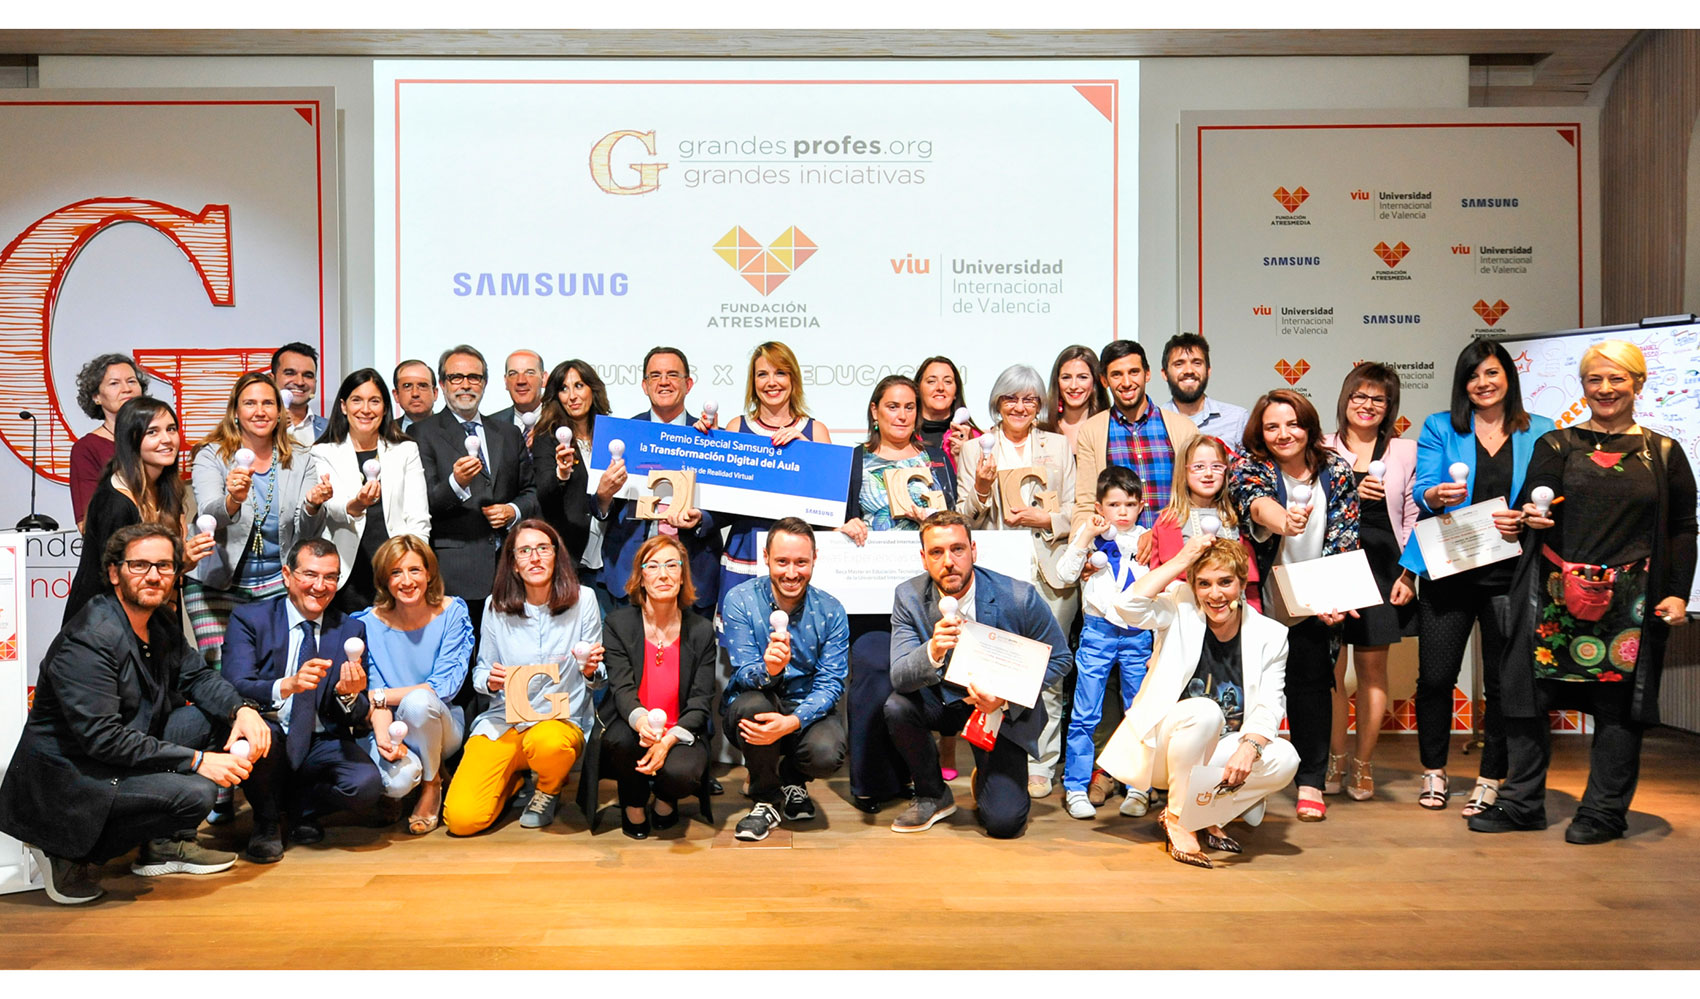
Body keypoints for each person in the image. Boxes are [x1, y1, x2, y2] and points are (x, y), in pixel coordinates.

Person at [1477, 340, 1697, 845]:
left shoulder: (1663, 453)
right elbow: (1535, 497)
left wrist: (1679, 593)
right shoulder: (1557, 445)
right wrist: (1530, 515)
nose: (1605, 389)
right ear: (1583, 387)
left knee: (1620, 710)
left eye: (1617, 379)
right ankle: (1522, 803)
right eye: (1595, 379)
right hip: (1551, 594)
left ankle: (1602, 813)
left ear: (1638, 384)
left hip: (1633, 603)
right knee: (1526, 700)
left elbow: (1684, 528)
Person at [0, 524, 267, 904]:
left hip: (120, 749)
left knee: (213, 718)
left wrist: (242, 710)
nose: (154, 575)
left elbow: (198, 676)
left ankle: (162, 848)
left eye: (165, 566)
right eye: (139, 565)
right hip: (71, 778)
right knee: (197, 792)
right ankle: (65, 850)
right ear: (114, 573)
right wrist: (197, 760)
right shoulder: (90, 638)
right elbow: (102, 739)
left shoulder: (158, 623)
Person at [1400, 340, 1556, 815]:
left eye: (1491, 373)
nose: (1483, 384)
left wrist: (1529, 516)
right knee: (1435, 679)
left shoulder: (1544, 431)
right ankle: (1434, 773)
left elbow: (1552, 498)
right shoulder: (1439, 426)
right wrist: (1437, 495)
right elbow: (1423, 489)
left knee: (1504, 684)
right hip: (1449, 572)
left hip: (1511, 576)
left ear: (1508, 376)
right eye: (1473, 376)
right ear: (1462, 384)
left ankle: (1491, 778)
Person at [1099, 535, 1299, 869]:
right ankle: (1178, 818)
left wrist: (1249, 747)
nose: (1215, 594)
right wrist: (1180, 561)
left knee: (1285, 758)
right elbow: (1126, 607)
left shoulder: (1271, 635)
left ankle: (1202, 812)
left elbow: (1270, 704)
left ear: (1241, 583)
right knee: (1206, 711)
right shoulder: (1179, 605)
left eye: (1225, 582)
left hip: (1221, 751)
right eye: (1203, 584)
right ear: (1193, 585)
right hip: (1167, 748)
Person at [885, 511, 1073, 838]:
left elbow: (1060, 658)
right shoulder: (909, 596)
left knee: (1004, 824)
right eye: (936, 552)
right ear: (923, 558)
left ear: (974, 550)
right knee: (896, 707)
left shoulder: (1018, 597)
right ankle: (933, 794)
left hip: (996, 711)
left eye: (957, 549)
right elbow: (900, 676)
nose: (949, 561)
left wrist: (1005, 696)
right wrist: (933, 650)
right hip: (940, 701)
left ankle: (986, 778)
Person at [1228, 388, 1359, 822]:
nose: (1284, 434)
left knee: (1311, 687)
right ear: (1260, 433)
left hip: (1317, 594)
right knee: (1255, 690)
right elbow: (1254, 503)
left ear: (1308, 426)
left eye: (1292, 424)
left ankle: (1311, 782)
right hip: (1263, 597)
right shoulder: (1249, 465)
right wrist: (1283, 518)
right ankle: (1242, 784)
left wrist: (1335, 596)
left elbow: (1344, 537)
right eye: (1272, 427)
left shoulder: (1336, 469)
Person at [220, 538, 383, 862]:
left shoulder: (350, 628)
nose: (320, 586)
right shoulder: (250, 619)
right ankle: (266, 822)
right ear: (286, 575)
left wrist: (348, 694)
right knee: (261, 738)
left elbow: (356, 712)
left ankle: (298, 810)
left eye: (331, 577)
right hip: (270, 730)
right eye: (310, 574)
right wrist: (286, 685)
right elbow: (234, 683)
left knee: (366, 785)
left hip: (321, 740)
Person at [957, 363, 1078, 799]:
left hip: (1049, 571)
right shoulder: (975, 450)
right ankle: (993, 759)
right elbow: (964, 517)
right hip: (995, 574)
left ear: (1040, 404)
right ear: (997, 403)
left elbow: (1078, 509)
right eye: (1011, 398)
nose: (1020, 407)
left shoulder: (1059, 446)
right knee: (991, 668)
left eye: (1029, 399)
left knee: (1046, 670)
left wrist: (1046, 518)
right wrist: (984, 489)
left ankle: (1042, 761)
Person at [840, 374, 960, 811]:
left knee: (916, 684)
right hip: (868, 592)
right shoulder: (854, 460)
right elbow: (835, 516)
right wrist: (845, 522)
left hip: (922, 595)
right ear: (875, 411)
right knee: (872, 674)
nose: (902, 414)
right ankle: (871, 782)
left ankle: (917, 777)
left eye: (909, 407)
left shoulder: (936, 461)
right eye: (892, 406)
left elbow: (953, 522)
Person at [444, 520, 605, 835]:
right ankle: (514, 779)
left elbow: (598, 678)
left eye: (543, 549)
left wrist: (590, 670)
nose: (535, 558)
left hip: (558, 723)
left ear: (556, 556)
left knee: (548, 744)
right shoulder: (496, 605)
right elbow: (481, 670)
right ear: (514, 564)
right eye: (525, 551)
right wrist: (489, 680)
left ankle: (547, 788)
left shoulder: (583, 599)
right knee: (462, 820)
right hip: (506, 720)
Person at [185, 373, 331, 668]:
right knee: (221, 673)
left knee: (271, 671)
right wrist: (233, 499)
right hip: (216, 585)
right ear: (235, 412)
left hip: (277, 583)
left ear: (280, 412)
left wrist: (314, 505)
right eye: (250, 403)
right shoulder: (210, 454)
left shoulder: (300, 457)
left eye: (268, 403)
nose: (260, 411)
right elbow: (209, 514)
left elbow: (308, 532)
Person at [1322, 362, 1418, 801]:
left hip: (1384, 564)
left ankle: (1363, 765)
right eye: (1359, 396)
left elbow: (1415, 516)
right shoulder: (1320, 447)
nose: (1367, 405)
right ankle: (1334, 761)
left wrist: (1409, 574)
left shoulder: (1405, 451)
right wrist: (1347, 491)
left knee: (1372, 673)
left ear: (1389, 406)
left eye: (1378, 399)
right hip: (1332, 564)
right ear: (1345, 399)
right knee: (1331, 674)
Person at [721, 519, 849, 841]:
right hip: (757, 698)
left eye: (801, 562)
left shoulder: (832, 610)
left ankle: (792, 779)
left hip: (804, 706)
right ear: (766, 557)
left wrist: (792, 722)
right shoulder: (740, 600)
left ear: (814, 560)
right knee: (753, 707)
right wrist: (770, 669)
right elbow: (742, 673)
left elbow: (832, 683)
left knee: (827, 754)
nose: (791, 573)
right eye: (782, 561)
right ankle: (766, 798)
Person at [410, 344, 537, 641]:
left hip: (510, 571)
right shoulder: (422, 434)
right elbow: (422, 504)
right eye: (456, 377)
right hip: (455, 572)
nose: (466, 384)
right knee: (461, 666)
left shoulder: (507, 432)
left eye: (474, 377)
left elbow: (530, 491)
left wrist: (513, 511)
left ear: (485, 383)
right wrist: (456, 483)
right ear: (442, 385)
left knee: (509, 660)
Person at [700, 341, 834, 616]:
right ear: (753, 382)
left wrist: (806, 452)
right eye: (762, 374)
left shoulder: (815, 431)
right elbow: (722, 502)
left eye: (780, 373)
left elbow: (830, 511)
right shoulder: (736, 427)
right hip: (745, 549)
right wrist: (707, 447)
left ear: (793, 379)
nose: (771, 382)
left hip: (795, 561)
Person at [352, 535, 475, 835]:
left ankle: (433, 785)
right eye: (396, 572)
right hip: (388, 725)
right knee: (396, 783)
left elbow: (442, 687)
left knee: (418, 702)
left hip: (440, 724)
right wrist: (384, 738)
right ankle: (403, 788)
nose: (406, 581)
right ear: (384, 579)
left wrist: (377, 695)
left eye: (414, 570)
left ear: (429, 573)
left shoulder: (452, 613)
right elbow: (376, 701)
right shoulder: (367, 624)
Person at [598, 534, 718, 839]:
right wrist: (642, 724)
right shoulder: (618, 624)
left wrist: (666, 741)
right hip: (632, 723)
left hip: (680, 730)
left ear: (682, 576)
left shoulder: (701, 630)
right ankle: (634, 803)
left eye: (671, 565)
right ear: (640, 578)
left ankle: (665, 798)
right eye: (652, 566)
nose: (663, 574)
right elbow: (621, 689)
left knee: (681, 773)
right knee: (622, 742)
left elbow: (701, 701)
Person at [1055, 466, 1153, 819]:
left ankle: (1139, 786)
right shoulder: (1090, 536)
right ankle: (1076, 786)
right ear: (1100, 507)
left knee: (1139, 711)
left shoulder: (1147, 538)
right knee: (1085, 712)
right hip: (1097, 632)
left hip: (1138, 632)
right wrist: (1084, 538)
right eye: (1114, 504)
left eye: (1129, 503)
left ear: (1140, 505)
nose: (1122, 511)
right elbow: (1064, 575)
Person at [63, 396, 214, 624]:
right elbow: (119, 580)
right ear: (130, 440)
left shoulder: (167, 490)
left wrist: (181, 563)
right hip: (104, 629)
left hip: (154, 619)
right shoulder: (115, 501)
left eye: (171, 429)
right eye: (152, 432)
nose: (167, 439)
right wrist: (179, 561)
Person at [600, 346, 721, 617]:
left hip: (695, 574)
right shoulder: (620, 434)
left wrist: (702, 518)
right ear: (644, 385)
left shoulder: (713, 438)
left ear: (688, 384)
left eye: (672, 375)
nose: (663, 381)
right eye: (655, 375)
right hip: (629, 573)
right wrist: (604, 494)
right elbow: (599, 504)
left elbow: (728, 507)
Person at [312, 368, 431, 614]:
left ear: (385, 408)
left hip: (396, 573)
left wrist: (413, 568)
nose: (365, 409)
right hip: (345, 573)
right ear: (344, 406)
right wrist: (356, 505)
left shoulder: (405, 450)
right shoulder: (323, 451)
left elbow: (418, 518)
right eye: (357, 400)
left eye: (374, 401)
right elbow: (330, 506)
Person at [1074, 340, 1199, 533]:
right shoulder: (1092, 431)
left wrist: (1159, 537)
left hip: (1175, 546)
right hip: (1118, 553)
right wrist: (1081, 552)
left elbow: (1196, 498)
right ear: (1104, 380)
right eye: (1117, 375)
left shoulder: (1183, 428)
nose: (1126, 383)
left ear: (1147, 374)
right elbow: (1086, 502)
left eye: (1134, 372)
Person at [532, 358, 615, 610]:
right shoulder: (548, 435)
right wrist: (562, 474)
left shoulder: (612, 433)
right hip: (571, 556)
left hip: (613, 556)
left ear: (592, 389)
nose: (572, 396)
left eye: (579, 386)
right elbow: (543, 495)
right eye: (564, 389)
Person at [1150, 435, 1261, 612]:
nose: (1208, 473)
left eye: (1216, 466)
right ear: (1183, 472)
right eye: (1198, 467)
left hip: (1234, 614)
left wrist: (1253, 616)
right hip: (1186, 614)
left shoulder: (1235, 516)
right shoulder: (1169, 520)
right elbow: (1161, 577)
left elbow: (1250, 580)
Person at [68, 352, 148, 530]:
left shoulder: (158, 440)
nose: (126, 389)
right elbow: (87, 524)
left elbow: (175, 510)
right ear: (96, 396)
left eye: (132, 381)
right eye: (114, 383)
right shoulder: (86, 448)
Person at [1158, 333, 1250, 450]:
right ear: (1165, 374)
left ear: (1208, 371)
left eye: (1197, 363)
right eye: (1179, 364)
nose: (1189, 370)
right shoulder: (1156, 422)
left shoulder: (1237, 419)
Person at [1040, 344, 1108, 458]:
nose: (1073, 386)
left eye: (1082, 377)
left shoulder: (1108, 428)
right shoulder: (1042, 431)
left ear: (1095, 381)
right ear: (1057, 382)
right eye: (1066, 377)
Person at [915, 355, 978, 478]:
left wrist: (965, 459)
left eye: (948, 381)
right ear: (918, 389)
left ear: (956, 392)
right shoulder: (903, 434)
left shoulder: (974, 438)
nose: (940, 388)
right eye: (931, 381)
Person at [272, 341, 327, 445]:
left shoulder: (331, 430)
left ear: (315, 382)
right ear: (272, 379)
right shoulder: (255, 427)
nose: (299, 382)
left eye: (308, 375)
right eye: (290, 373)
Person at [490, 349, 546, 440]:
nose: (521, 381)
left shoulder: (563, 421)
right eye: (513, 374)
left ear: (543, 378)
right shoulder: (490, 426)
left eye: (530, 373)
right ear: (506, 382)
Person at [392, 358, 438, 432]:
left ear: (435, 393)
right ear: (396, 395)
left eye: (423, 386)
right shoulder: (382, 433)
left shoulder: (453, 430)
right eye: (407, 386)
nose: (415, 393)